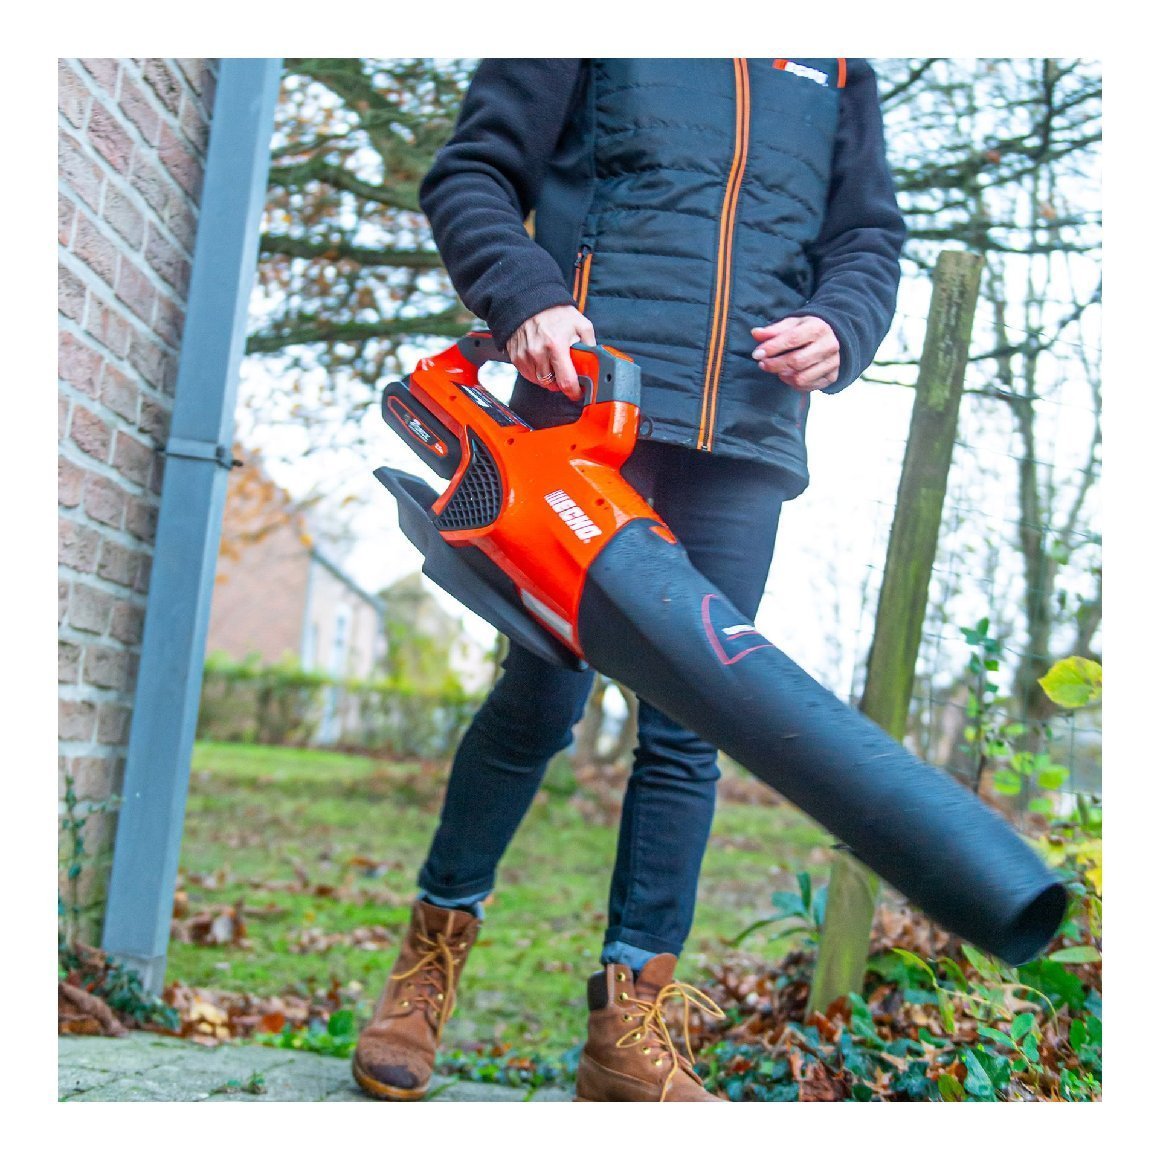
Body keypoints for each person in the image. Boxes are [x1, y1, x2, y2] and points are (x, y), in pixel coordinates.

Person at [352, 57, 906, 1103]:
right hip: (586, 414)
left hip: (743, 439)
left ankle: (629, 1030)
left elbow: (866, 236)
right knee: (539, 695)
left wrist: (843, 322)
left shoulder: (836, 62)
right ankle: (427, 964)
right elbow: (471, 172)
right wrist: (526, 296)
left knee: (690, 727)